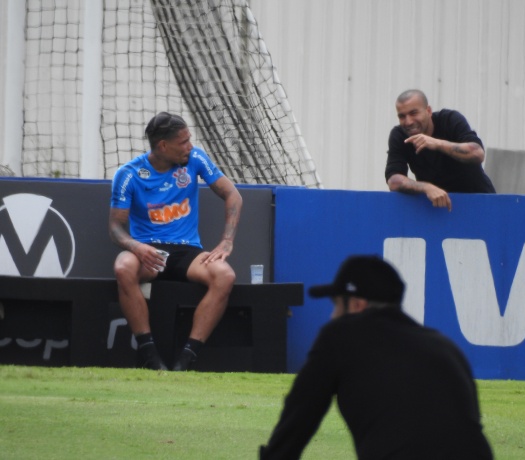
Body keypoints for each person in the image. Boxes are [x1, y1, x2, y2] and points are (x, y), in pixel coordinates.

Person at [260, 255, 493, 459]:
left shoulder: (340, 335)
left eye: (336, 306)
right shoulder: (445, 346)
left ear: (357, 304)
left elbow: (298, 419)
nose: (333, 316)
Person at [109, 112, 242, 371]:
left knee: (224, 275)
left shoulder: (195, 159)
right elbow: (115, 228)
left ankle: (186, 359)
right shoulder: (128, 174)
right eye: (183, 142)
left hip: (188, 252)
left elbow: (233, 196)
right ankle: (151, 357)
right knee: (123, 267)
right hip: (149, 254)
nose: (190, 147)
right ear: (163, 146)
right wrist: (136, 246)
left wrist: (227, 241)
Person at [385, 89, 496, 211]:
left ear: (428, 111)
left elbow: (477, 153)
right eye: (402, 116)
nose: (408, 122)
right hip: (437, 209)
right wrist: (426, 187)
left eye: (414, 113)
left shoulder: (449, 119)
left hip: (478, 204)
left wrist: (437, 143)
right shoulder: (399, 135)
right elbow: (394, 180)